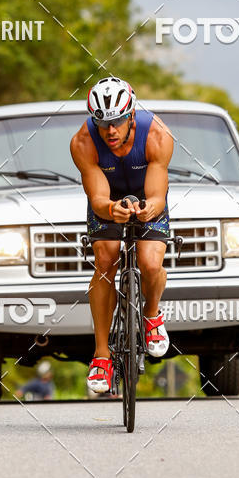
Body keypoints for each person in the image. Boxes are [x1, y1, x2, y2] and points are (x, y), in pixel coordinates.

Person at [70, 77, 174, 394]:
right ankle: (102, 355)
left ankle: (152, 315)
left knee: (150, 262)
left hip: (148, 196)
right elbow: (97, 197)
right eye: (103, 123)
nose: (110, 131)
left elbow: (157, 194)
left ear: (131, 115)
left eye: (116, 122)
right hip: (107, 201)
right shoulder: (83, 143)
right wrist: (110, 208)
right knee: (105, 257)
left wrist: (150, 208)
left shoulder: (157, 135)